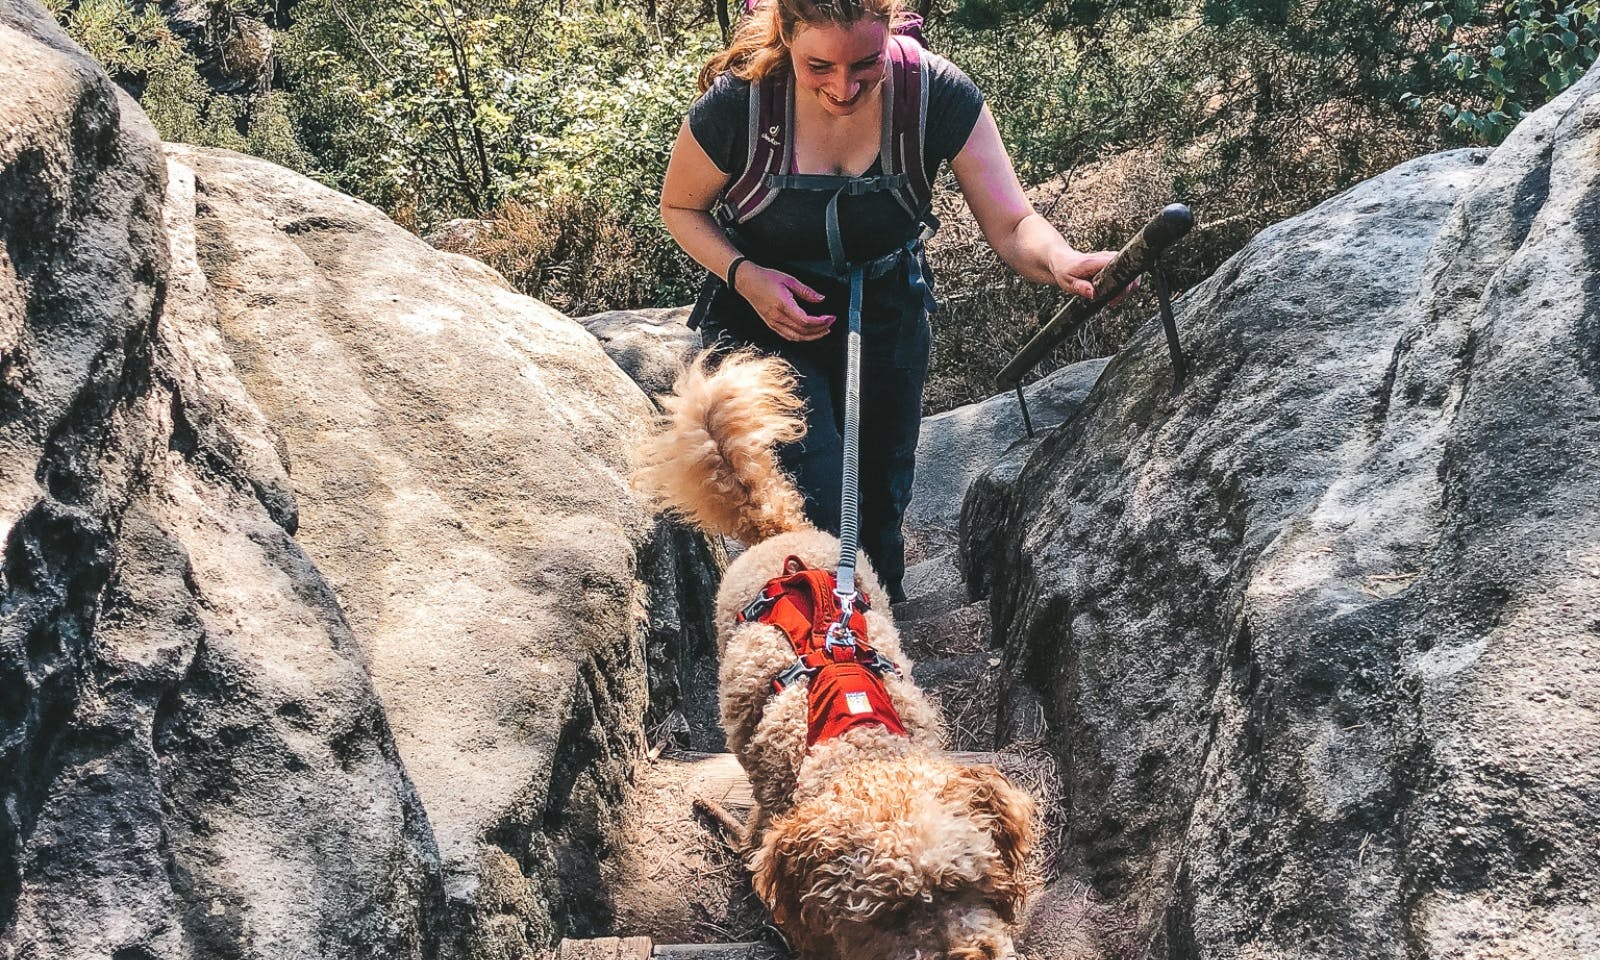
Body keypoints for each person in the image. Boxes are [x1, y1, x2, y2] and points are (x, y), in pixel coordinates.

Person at [659, 0, 1116, 603]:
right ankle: (819, 654)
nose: (843, 88)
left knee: (880, 495)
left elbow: (1013, 224)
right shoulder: (741, 104)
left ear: (892, 33)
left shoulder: (933, 94)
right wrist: (745, 276)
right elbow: (680, 207)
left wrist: (1063, 262)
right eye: (818, 66)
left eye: (865, 64)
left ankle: (883, 642)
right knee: (814, 504)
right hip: (763, 314)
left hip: (886, 307)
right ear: (787, 34)